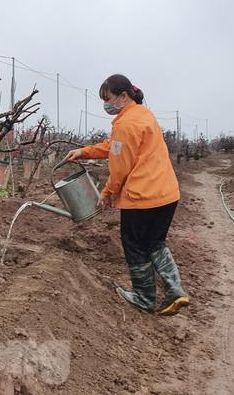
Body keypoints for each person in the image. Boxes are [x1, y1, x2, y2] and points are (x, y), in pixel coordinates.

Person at [63, 74, 189, 315]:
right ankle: (175, 290)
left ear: (123, 96)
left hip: (142, 197)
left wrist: (108, 193)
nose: (106, 104)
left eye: (108, 98)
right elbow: (114, 146)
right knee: (154, 242)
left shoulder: (125, 123)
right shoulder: (143, 115)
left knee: (133, 244)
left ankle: (144, 298)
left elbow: (120, 166)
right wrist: (83, 152)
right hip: (167, 194)